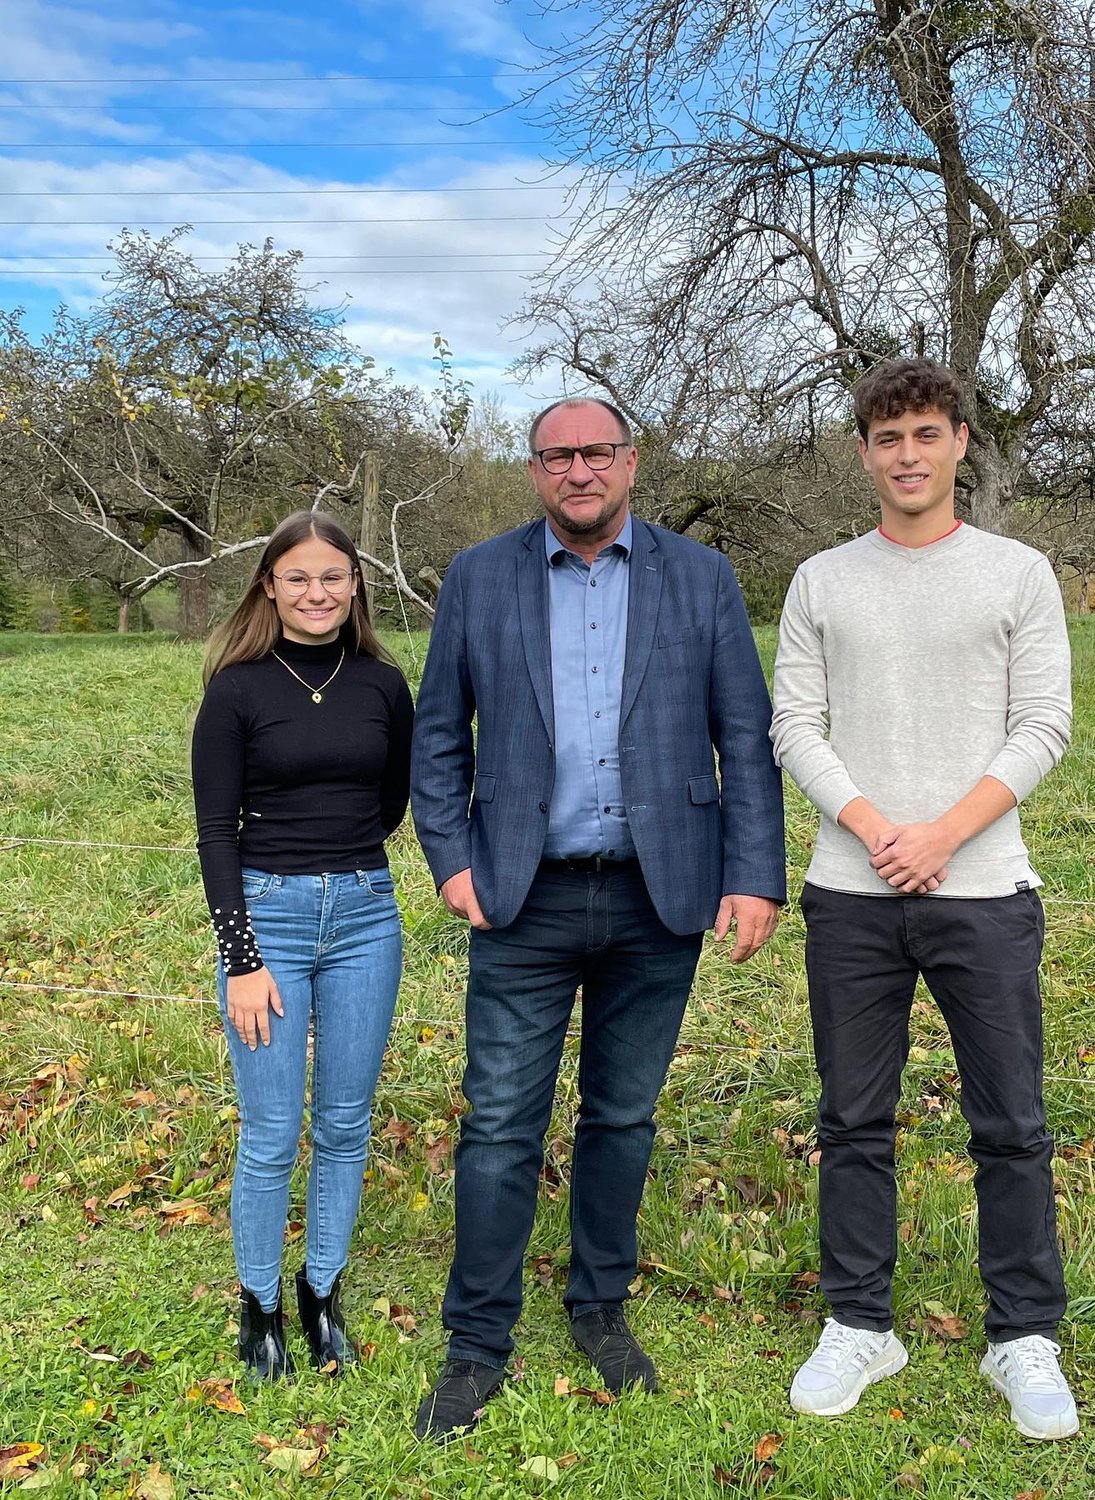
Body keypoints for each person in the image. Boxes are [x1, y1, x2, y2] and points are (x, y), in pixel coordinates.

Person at [409, 397, 786, 1439]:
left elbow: (744, 738)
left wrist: (754, 876)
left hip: (659, 893)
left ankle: (599, 1308)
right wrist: (451, 862)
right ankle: (476, 1342)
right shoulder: (479, 576)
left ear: (631, 461)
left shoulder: (700, 577)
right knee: (499, 1125)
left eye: (596, 452)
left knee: (623, 1116)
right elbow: (438, 736)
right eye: (556, 455)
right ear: (535, 470)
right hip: (519, 896)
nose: (578, 471)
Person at [770, 359, 1077, 1440]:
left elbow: (1043, 723)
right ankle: (860, 1322)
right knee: (853, 1121)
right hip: (851, 895)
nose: (908, 455)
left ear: (959, 443)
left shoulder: (1018, 573)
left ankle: (1022, 1335)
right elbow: (793, 723)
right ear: (864, 453)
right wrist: (874, 829)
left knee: (1013, 1125)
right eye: (888, 437)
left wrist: (942, 834)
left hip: (984, 890)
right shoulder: (821, 581)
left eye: (926, 434)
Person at [191, 510, 413, 1380]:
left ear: (355, 585)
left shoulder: (383, 684)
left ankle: (321, 1290)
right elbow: (216, 834)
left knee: (346, 1124)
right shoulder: (236, 690)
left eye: (332, 576)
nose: (316, 592)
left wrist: (340, 863)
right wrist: (242, 959)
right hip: (267, 919)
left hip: (365, 917)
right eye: (298, 577)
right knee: (274, 1129)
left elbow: (390, 803)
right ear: (270, 586)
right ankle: (260, 1304)